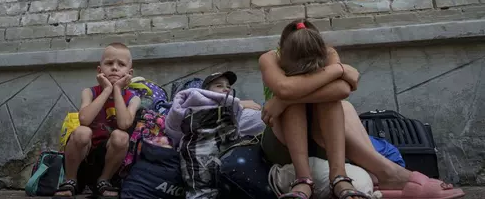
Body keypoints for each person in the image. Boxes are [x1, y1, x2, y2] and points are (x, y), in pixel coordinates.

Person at [260, 19, 466, 199]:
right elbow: (285, 88)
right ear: (281, 51)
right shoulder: (270, 57)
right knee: (294, 104)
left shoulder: (329, 53)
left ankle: (340, 176)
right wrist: (289, 99)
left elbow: (341, 89)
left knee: (332, 101)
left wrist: (284, 99)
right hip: (283, 141)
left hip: (321, 138)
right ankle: (304, 178)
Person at [54, 42, 141, 198]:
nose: (114, 68)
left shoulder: (133, 99)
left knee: (121, 136)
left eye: (121, 64)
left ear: (129, 73)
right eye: (109, 63)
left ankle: (104, 180)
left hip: (108, 161)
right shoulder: (90, 92)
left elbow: (124, 124)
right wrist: (107, 90)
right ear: (100, 70)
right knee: (82, 132)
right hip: (82, 159)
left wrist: (118, 90)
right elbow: (84, 120)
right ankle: (70, 180)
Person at [165, 70, 265, 199]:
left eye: (228, 87)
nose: (225, 89)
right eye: (219, 86)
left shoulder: (233, 108)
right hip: (199, 157)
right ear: (206, 90)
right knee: (202, 190)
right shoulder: (192, 104)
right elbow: (173, 127)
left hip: (225, 157)